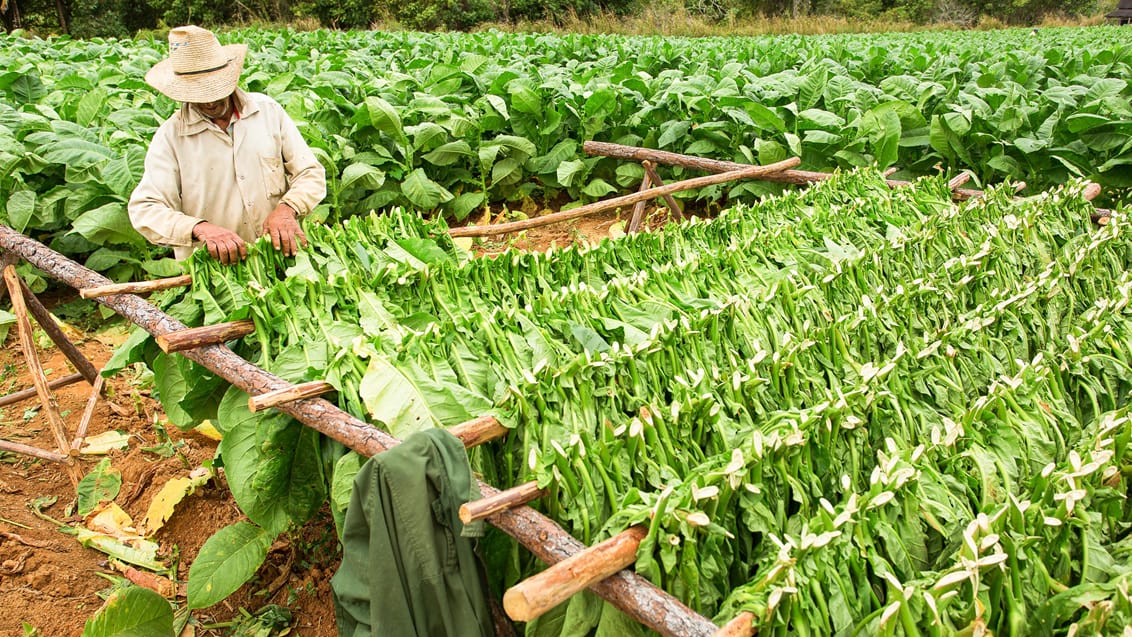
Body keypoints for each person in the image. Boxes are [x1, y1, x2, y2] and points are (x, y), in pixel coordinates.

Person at [128, 25, 326, 264]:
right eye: (197, 94)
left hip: (281, 259)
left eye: (214, 90)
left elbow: (310, 172)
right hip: (216, 273)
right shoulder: (171, 137)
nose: (209, 102)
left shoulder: (267, 112)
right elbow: (145, 209)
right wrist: (199, 228)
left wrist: (288, 209)